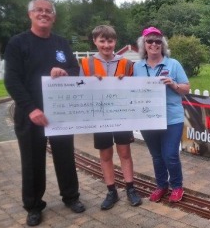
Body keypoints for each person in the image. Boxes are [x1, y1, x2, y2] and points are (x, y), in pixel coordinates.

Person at [4, 0, 85, 227]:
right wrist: (31, 109)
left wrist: (65, 71)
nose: (44, 14)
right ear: (30, 14)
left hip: (59, 111)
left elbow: (75, 68)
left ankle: (71, 197)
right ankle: (33, 206)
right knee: (32, 161)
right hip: (31, 113)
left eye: (48, 11)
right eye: (39, 10)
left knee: (65, 156)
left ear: (54, 17)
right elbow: (12, 80)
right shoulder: (18, 43)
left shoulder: (60, 43)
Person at [79, 25, 142, 209]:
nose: (106, 45)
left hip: (121, 114)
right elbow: (80, 90)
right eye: (102, 41)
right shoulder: (86, 63)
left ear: (115, 41)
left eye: (110, 41)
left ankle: (130, 188)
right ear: (95, 41)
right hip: (100, 116)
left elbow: (136, 89)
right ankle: (111, 191)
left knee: (125, 152)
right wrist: (91, 83)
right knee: (105, 154)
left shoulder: (126, 64)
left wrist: (127, 82)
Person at [133, 27, 190, 203]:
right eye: (150, 41)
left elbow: (186, 89)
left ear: (162, 44)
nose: (154, 44)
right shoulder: (137, 67)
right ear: (144, 44)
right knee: (157, 156)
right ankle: (161, 186)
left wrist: (173, 84)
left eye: (158, 41)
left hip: (171, 118)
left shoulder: (173, 64)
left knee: (170, 155)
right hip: (148, 118)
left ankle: (177, 186)